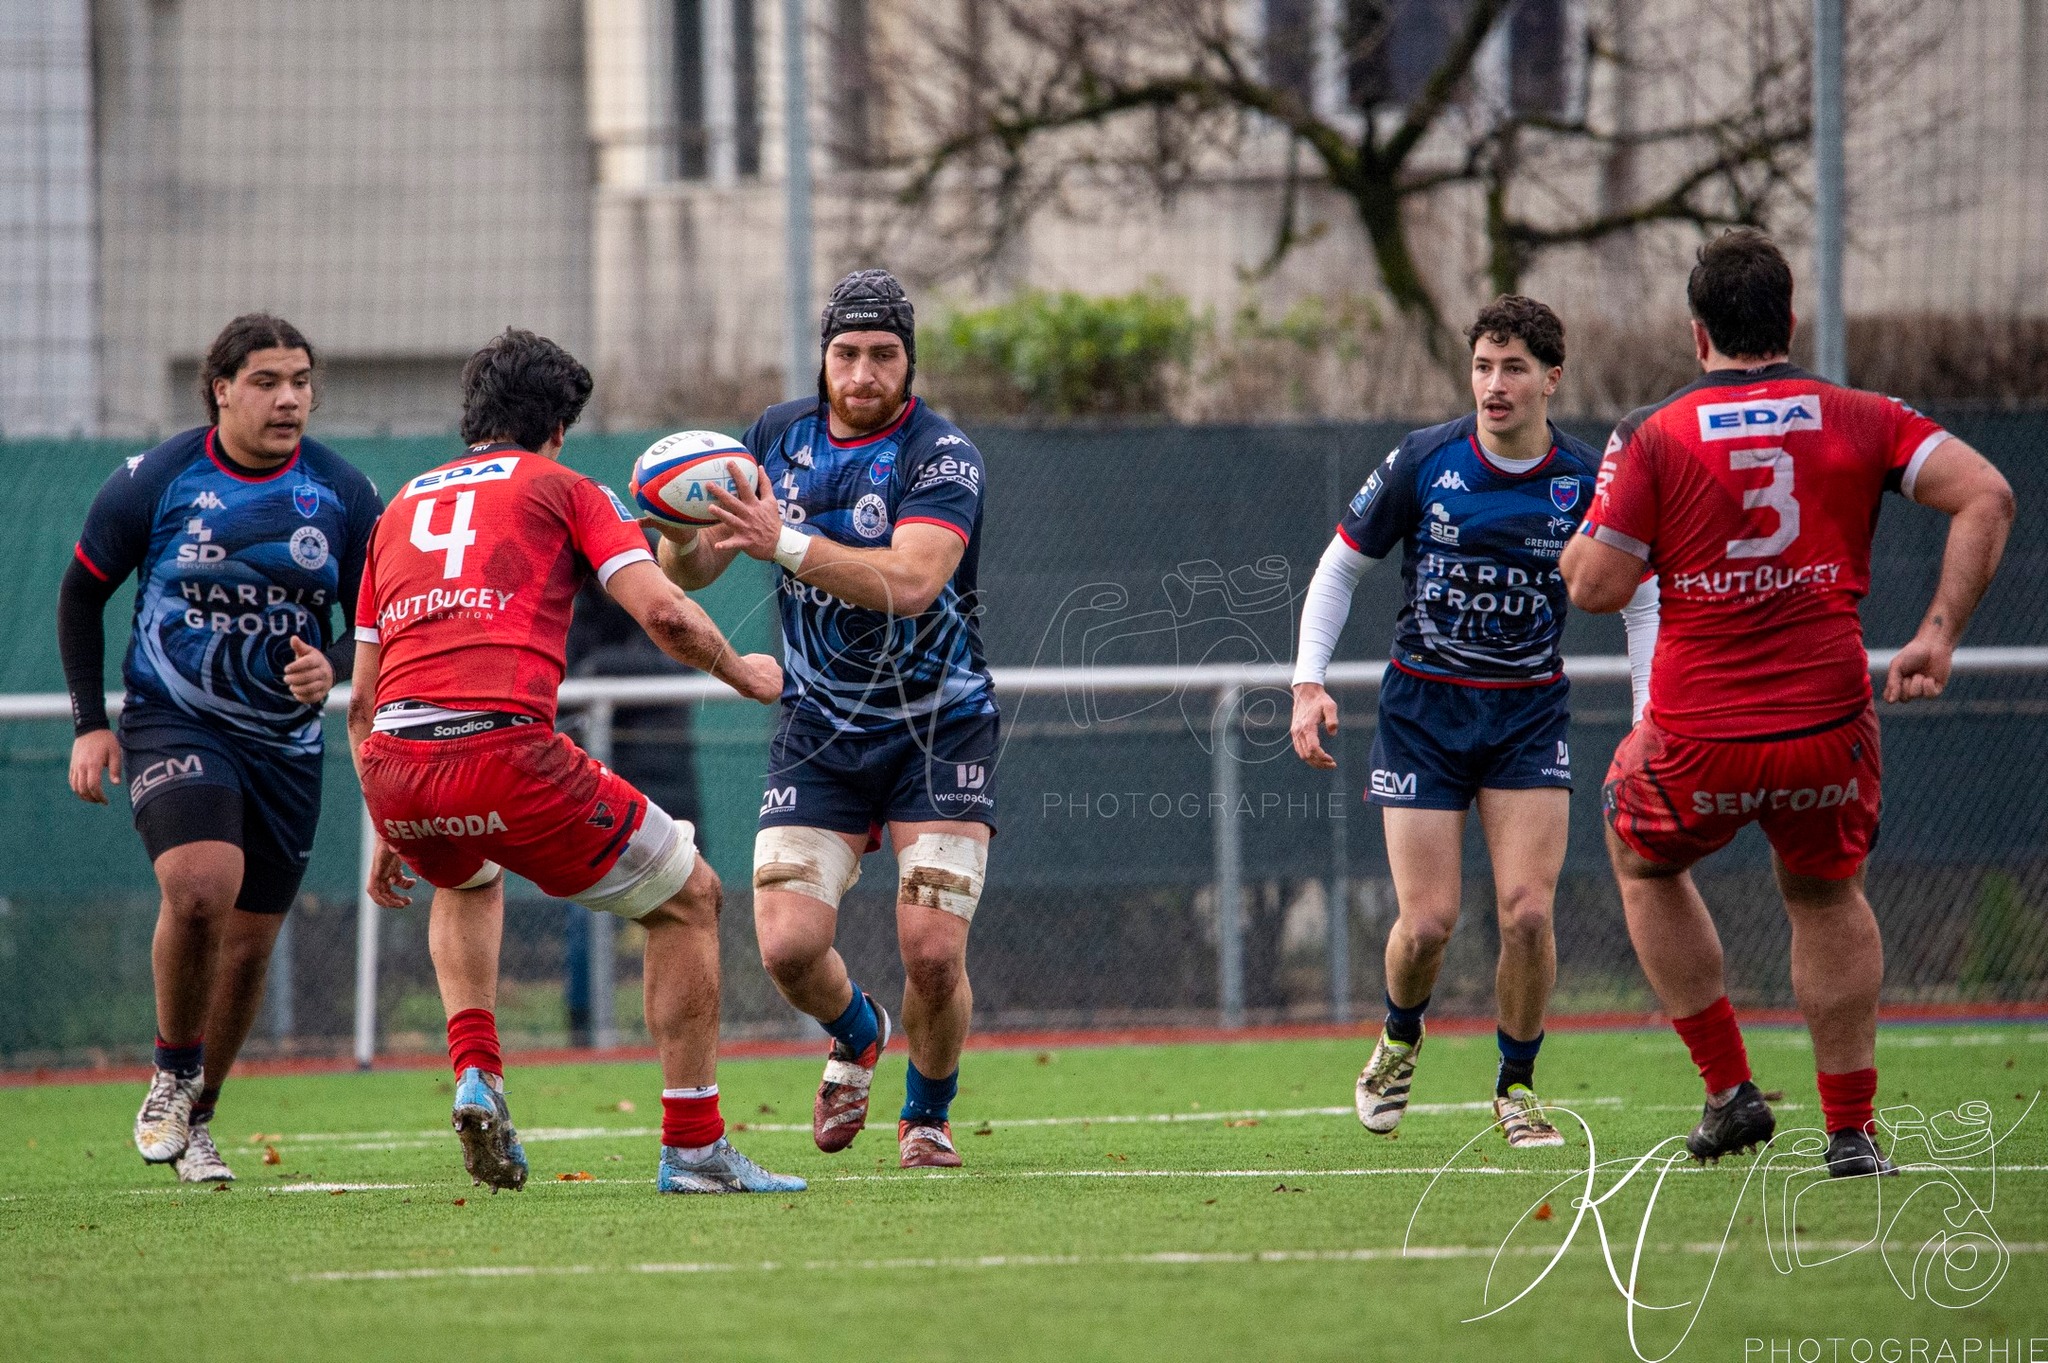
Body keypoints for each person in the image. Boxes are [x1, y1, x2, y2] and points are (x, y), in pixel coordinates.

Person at [1561, 228, 2015, 1177]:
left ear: (1698, 335)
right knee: (1825, 893)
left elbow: (1599, 586)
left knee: (1640, 861)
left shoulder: (1656, 431)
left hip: (1699, 734)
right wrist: (1938, 632)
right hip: (1826, 725)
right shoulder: (1859, 413)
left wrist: (1585, 540)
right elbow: (1988, 493)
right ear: (1791, 322)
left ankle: (1730, 1092)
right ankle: (1850, 1131)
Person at [348, 328, 802, 1195]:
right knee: (690, 897)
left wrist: (387, 818)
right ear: (557, 426)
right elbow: (664, 615)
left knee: (467, 874)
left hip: (394, 763)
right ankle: (696, 1147)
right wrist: (744, 672)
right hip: (501, 750)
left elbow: (365, 697)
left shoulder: (399, 508)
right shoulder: (564, 487)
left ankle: (476, 1070)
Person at [1290, 296, 1659, 1147]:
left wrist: (1649, 721)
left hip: (1528, 716)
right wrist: (1308, 683)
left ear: (1551, 379)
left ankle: (1517, 1088)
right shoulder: (1426, 459)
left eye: (1515, 368)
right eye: (1484, 366)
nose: (1495, 385)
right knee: (1426, 926)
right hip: (1424, 712)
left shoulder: (1583, 481)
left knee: (1528, 912)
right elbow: (1339, 566)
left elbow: (1643, 602)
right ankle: (1397, 1038)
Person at [653, 268, 998, 1170]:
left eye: (884, 355)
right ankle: (857, 1030)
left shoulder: (943, 454)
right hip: (821, 728)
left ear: (908, 363)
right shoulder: (773, 437)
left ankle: (927, 1114)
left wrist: (787, 544)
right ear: (824, 357)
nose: (863, 373)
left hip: (939, 727)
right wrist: (682, 528)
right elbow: (691, 572)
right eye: (847, 353)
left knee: (931, 949)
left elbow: (915, 582)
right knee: (789, 947)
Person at [60, 314, 383, 1182]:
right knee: (202, 887)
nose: (290, 398)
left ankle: (197, 1114)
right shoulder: (157, 480)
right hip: (176, 718)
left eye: (303, 381)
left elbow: (377, 625)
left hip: (286, 742)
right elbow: (81, 594)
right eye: (270, 381)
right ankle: (171, 1070)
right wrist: (92, 720)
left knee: (248, 943)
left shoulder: (343, 495)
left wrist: (335, 666)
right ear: (222, 389)